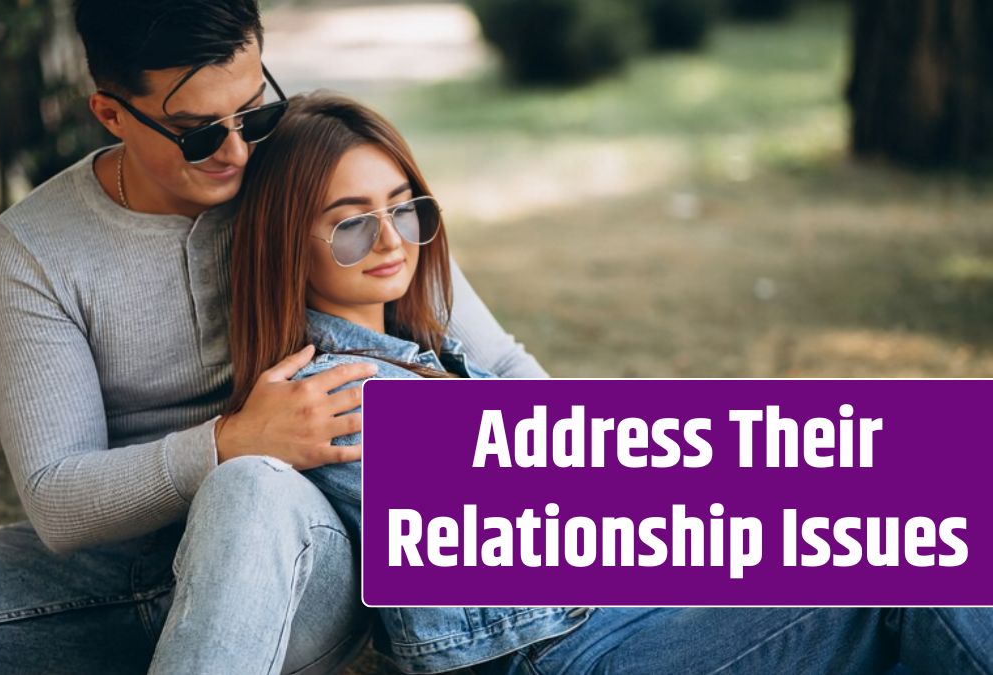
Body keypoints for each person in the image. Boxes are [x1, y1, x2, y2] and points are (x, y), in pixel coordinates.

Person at [0, 1, 545, 673]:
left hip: (305, 553)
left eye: (253, 112)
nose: (239, 153)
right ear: (110, 113)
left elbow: (501, 361)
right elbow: (56, 500)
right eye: (195, 135)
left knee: (248, 488)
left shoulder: (304, 179)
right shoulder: (35, 248)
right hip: (112, 575)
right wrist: (228, 439)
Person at [225, 92, 993, 675]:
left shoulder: (425, 349)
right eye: (352, 221)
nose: (391, 239)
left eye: (404, 208)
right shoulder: (337, 390)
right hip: (567, 648)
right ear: (289, 244)